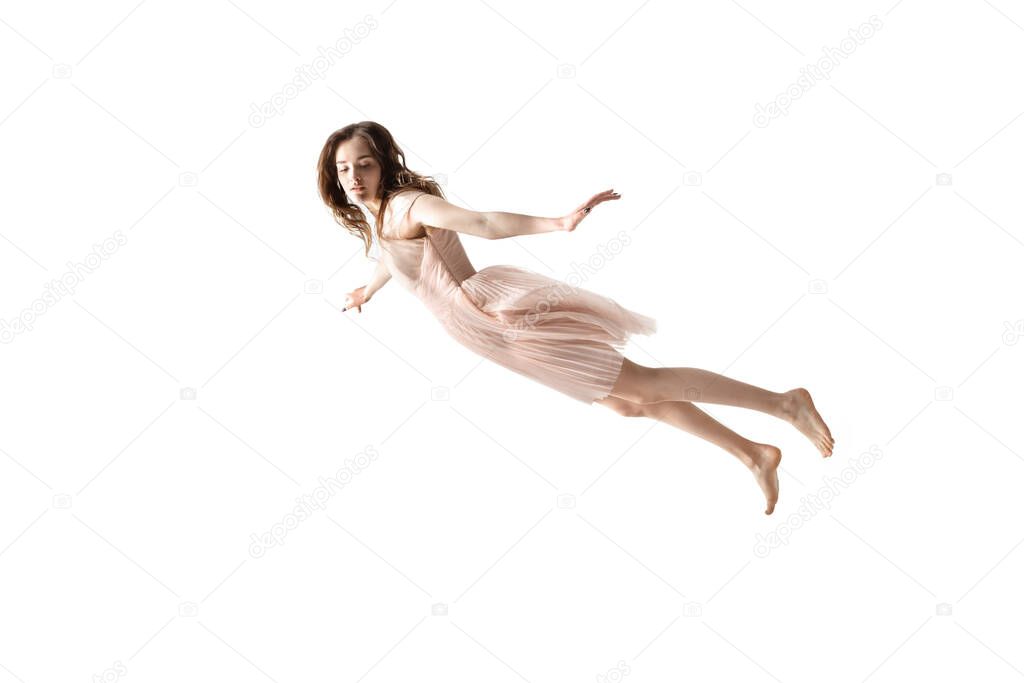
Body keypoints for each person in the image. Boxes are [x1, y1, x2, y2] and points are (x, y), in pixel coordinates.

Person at [316, 121, 834, 515]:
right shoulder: (382, 214)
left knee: (643, 386)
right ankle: (753, 455)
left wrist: (557, 223)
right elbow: (394, 254)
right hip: (483, 333)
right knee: (628, 405)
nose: (353, 177)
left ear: (383, 163)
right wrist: (371, 288)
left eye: (363, 164)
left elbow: (482, 222)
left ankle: (784, 404)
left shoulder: (408, 204)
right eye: (344, 169)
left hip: (500, 316)